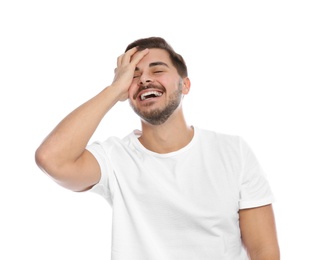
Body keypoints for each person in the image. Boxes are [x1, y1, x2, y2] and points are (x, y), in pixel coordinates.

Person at [35, 36, 280, 259]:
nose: (144, 79)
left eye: (157, 70)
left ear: (185, 85)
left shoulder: (233, 152)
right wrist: (113, 91)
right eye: (133, 74)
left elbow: (263, 250)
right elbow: (51, 159)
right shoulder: (115, 158)